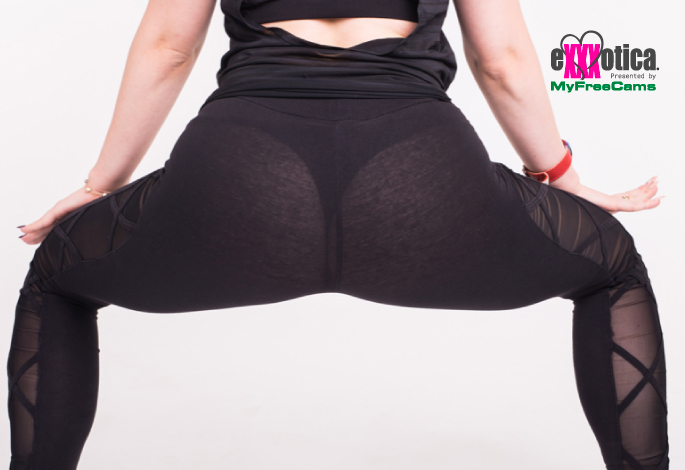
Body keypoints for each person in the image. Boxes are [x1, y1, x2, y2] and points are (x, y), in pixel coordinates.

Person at [7, 0, 669, 468]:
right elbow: (500, 60)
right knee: (609, 265)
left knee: (59, 275)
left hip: (241, 171)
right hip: (421, 172)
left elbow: (168, 49)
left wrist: (99, 187)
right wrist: (561, 177)